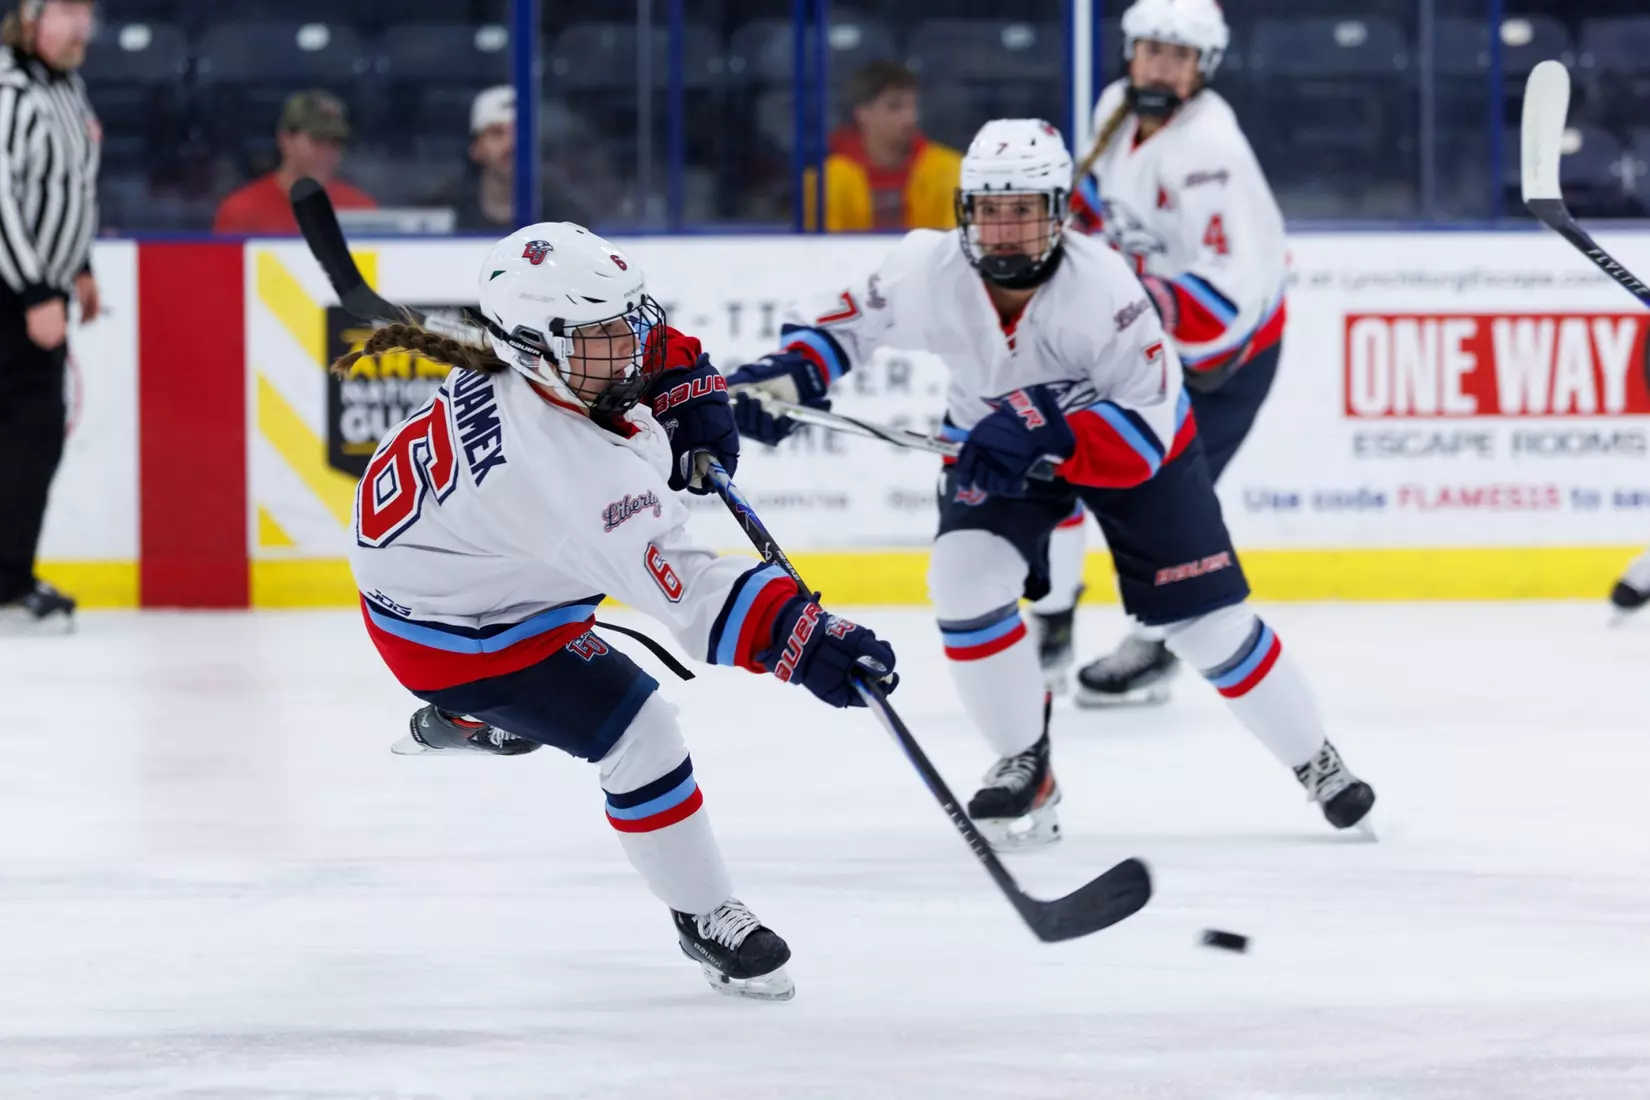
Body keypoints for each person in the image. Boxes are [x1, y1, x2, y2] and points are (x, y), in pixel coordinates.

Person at [727, 118, 1371, 847]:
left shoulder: (1107, 289)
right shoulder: (925, 269)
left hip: (1127, 450)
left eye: (1026, 210)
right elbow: (838, 330)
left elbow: (1145, 434)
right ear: (966, 211)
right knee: (963, 582)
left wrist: (1047, 423)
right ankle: (1025, 761)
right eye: (991, 210)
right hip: (997, 451)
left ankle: (1314, 759)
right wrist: (788, 378)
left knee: (1205, 624)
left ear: (1059, 214)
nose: (1006, 229)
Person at [341, 222, 898, 999]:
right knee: (641, 732)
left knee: (585, 672)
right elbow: (694, 599)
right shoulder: (572, 475)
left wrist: (687, 382)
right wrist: (808, 639)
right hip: (459, 638)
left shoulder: (537, 363)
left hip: (463, 569)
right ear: (537, 347)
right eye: (605, 336)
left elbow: (646, 344)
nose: (631, 346)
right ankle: (704, 916)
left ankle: (485, 720)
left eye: (628, 321)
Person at [1037, 0, 1288, 706]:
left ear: (1203, 67)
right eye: (1151, 50)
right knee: (1058, 459)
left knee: (1169, 502)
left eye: (1178, 57)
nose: (1160, 66)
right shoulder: (1118, 105)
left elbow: (1226, 299)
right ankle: (1052, 621)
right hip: (1141, 337)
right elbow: (1097, 204)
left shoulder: (1212, 152)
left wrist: (1125, 305)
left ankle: (1158, 643)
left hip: (1224, 359)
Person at [0, 0, 100, 632]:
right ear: (29, 17)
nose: (81, 25)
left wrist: (79, 265)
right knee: (25, 437)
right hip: (11, 294)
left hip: (41, 290)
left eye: (85, 11)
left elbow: (70, 187)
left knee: (33, 441)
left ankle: (10, 577)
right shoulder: (8, 88)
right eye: (65, 9)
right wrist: (36, 289)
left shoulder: (67, 89)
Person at [808, 61, 961, 232]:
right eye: (895, 107)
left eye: (913, 106)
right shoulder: (830, 178)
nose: (911, 118)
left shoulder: (948, 170)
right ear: (862, 113)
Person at [419, 85, 592, 233]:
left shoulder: (568, 214)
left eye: (521, 132)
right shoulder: (441, 204)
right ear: (476, 148)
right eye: (497, 133)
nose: (511, 144)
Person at [213, 90, 376, 234]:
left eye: (336, 142)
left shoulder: (360, 209)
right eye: (318, 140)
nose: (327, 152)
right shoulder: (241, 211)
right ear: (285, 140)